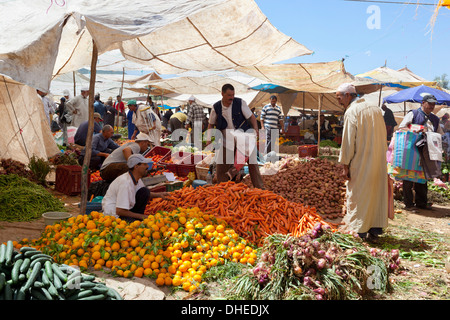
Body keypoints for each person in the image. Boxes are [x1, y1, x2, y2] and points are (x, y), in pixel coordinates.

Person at [336, 83, 388, 242]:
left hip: (361, 160)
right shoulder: (375, 108)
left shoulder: (352, 111)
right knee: (376, 194)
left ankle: (358, 232)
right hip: (378, 160)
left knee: (358, 195)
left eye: (339, 97)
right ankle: (375, 230)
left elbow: (348, 142)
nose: (338, 101)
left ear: (348, 95)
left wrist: (345, 165)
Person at [207, 83, 264, 189]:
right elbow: (211, 124)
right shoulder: (216, 107)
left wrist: (256, 129)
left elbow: (251, 117)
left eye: (233, 95)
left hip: (244, 139)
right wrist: (209, 139)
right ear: (222, 94)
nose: (231, 98)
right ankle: (222, 189)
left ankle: (260, 188)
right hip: (226, 141)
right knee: (221, 167)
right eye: (229, 95)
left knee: (252, 164)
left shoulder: (240, 103)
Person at [398, 94, 444, 211]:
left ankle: (421, 203)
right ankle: (408, 204)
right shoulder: (413, 113)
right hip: (412, 150)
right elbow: (402, 128)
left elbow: (440, 134)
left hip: (427, 151)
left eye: (433, 104)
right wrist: (417, 129)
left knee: (422, 176)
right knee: (408, 176)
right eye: (429, 103)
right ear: (423, 103)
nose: (432, 106)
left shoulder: (435, 119)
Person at [102, 154, 169, 222]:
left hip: (126, 209)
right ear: (136, 166)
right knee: (135, 226)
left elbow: (143, 193)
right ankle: (137, 220)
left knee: (144, 191)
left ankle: (137, 219)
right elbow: (120, 211)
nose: (148, 166)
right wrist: (142, 216)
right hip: (115, 215)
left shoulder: (136, 179)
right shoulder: (125, 183)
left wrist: (160, 194)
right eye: (144, 164)